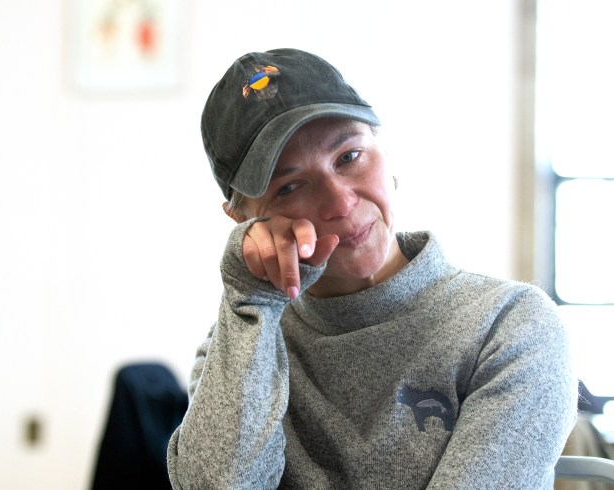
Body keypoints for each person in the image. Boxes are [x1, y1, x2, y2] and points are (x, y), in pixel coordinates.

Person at [167, 48, 577, 489]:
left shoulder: (510, 326)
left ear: (386, 152)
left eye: (349, 157)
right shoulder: (243, 345)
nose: (341, 202)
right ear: (244, 222)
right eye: (289, 187)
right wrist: (250, 299)